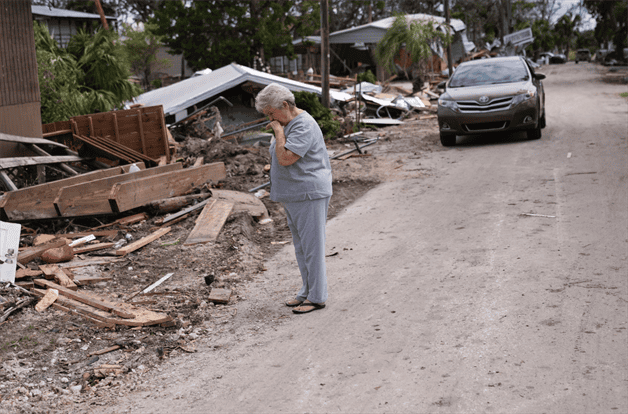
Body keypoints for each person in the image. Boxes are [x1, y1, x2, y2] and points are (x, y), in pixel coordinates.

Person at [254, 83, 332, 314]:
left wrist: (278, 133)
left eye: (271, 113)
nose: (270, 119)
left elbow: (287, 157)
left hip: (308, 193)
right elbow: (281, 157)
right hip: (294, 193)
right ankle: (307, 291)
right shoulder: (288, 123)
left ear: (285, 106)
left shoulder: (302, 125)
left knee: (312, 246)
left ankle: (317, 296)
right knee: (302, 247)